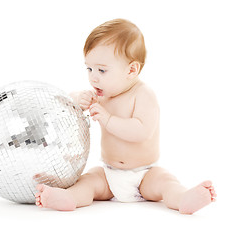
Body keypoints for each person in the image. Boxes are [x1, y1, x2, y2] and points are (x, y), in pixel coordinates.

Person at [35, 18, 216, 214]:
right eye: (89, 68)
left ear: (131, 70)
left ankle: (183, 198)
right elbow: (66, 103)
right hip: (109, 173)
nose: (93, 77)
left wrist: (108, 120)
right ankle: (69, 198)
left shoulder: (143, 94)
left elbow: (142, 131)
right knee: (88, 181)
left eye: (102, 70)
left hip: (144, 174)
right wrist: (78, 98)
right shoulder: (103, 94)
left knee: (165, 182)